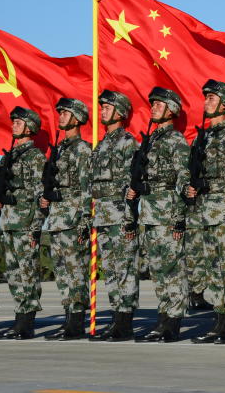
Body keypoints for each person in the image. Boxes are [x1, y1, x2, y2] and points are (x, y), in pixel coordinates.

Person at [129, 87, 190, 342]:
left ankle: (172, 322)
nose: (152, 107)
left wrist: (178, 216)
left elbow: (183, 178)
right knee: (157, 270)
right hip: (150, 212)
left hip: (167, 212)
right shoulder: (150, 140)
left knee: (172, 268)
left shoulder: (175, 141)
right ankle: (163, 315)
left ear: (171, 110)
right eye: (152, 104)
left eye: (158, 104)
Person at [189, 80, 225, 345]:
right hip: (205, 212)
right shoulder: (202, 139)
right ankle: (218, 319)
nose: (207, 102)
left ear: (224, 105)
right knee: (213, 270)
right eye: (206, 98)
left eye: (212, 98)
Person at [88, 90, 139, 342]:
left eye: (108, 108)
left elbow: (132, 183)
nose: (103, 111)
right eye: (102, 107)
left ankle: (125, 321)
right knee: (108, 269)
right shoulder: (100, 145)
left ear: (120, 113)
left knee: (125, 268)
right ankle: (115, 316)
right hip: (102, 217)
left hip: (120, 216)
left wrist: (130, 217)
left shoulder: (127, 142)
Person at [0, 106, 46, 340]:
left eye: (18, 122)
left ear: (29, 127)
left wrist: (36, 226)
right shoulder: (8, 156)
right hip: (9, 223)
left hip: (26, 223)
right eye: (13, 122)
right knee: (13, 274)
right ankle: (19, 315)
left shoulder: (36, 157)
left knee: (27, 273)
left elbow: (41, 195)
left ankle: (27, 321)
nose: (13, 125)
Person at [41, 98, 92, 341]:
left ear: (77, 118)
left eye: (65, 113)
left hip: (73, 219)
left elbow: (86, 187)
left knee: (76, 271)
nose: (60, 116)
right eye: (59, 113)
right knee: (62, 273)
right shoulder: (59, 149)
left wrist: (84, 220)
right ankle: (68, 315)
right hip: (57, 218)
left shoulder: (82, 150)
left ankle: (77, 321)